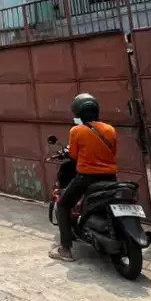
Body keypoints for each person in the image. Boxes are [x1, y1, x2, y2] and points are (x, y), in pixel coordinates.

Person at [49, 93, 118, 262]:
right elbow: (113, 152)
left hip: (87, 177)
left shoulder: (76, 131)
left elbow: (73, 154)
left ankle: (65, 250)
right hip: (111, 177)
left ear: (77, 113)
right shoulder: (110, 129)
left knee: (63, 205)